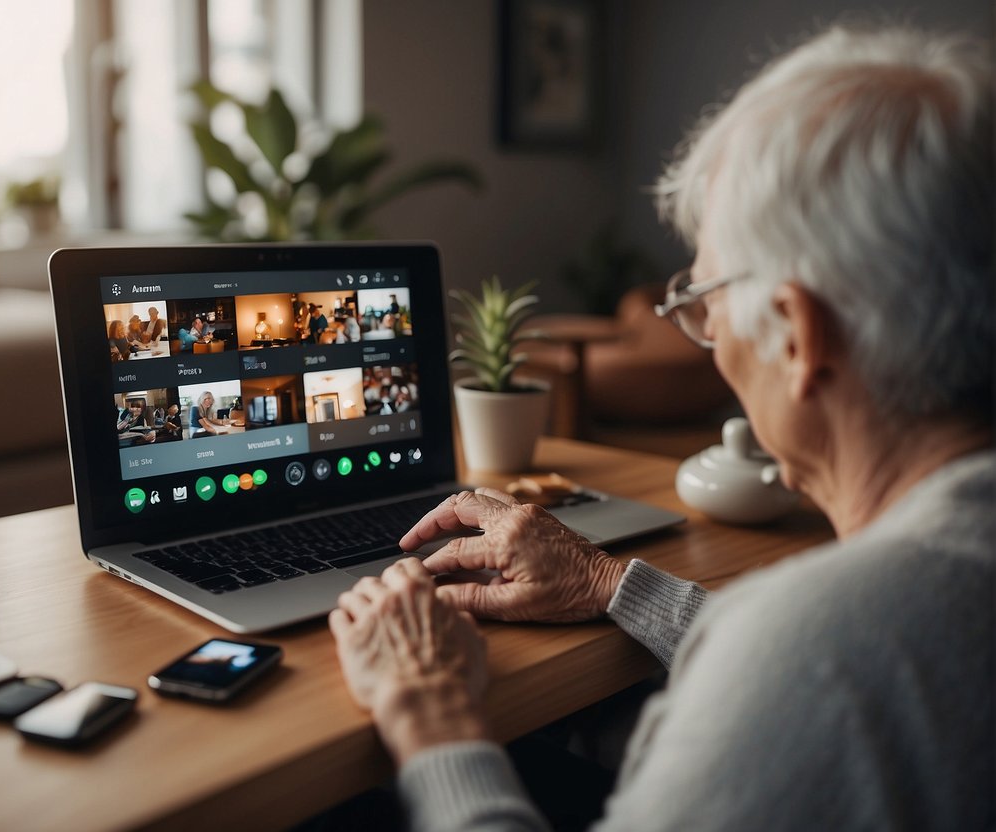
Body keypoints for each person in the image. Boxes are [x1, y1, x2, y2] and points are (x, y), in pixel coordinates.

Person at [329, 24, 994, 831]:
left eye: (705, 301)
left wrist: (431, 717)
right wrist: (608, 584)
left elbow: (801, 662)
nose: (706, 336)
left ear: (796, 337)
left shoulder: (818, 653)